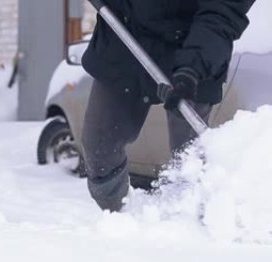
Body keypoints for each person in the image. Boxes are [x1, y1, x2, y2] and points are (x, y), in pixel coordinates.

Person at [81, 0, 255, 212]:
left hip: (193, 49)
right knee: (99, 148)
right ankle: (120, 218)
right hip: (125, 40)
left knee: (189, 163)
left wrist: (192, 68)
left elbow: (224, 11)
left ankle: (192, 225)